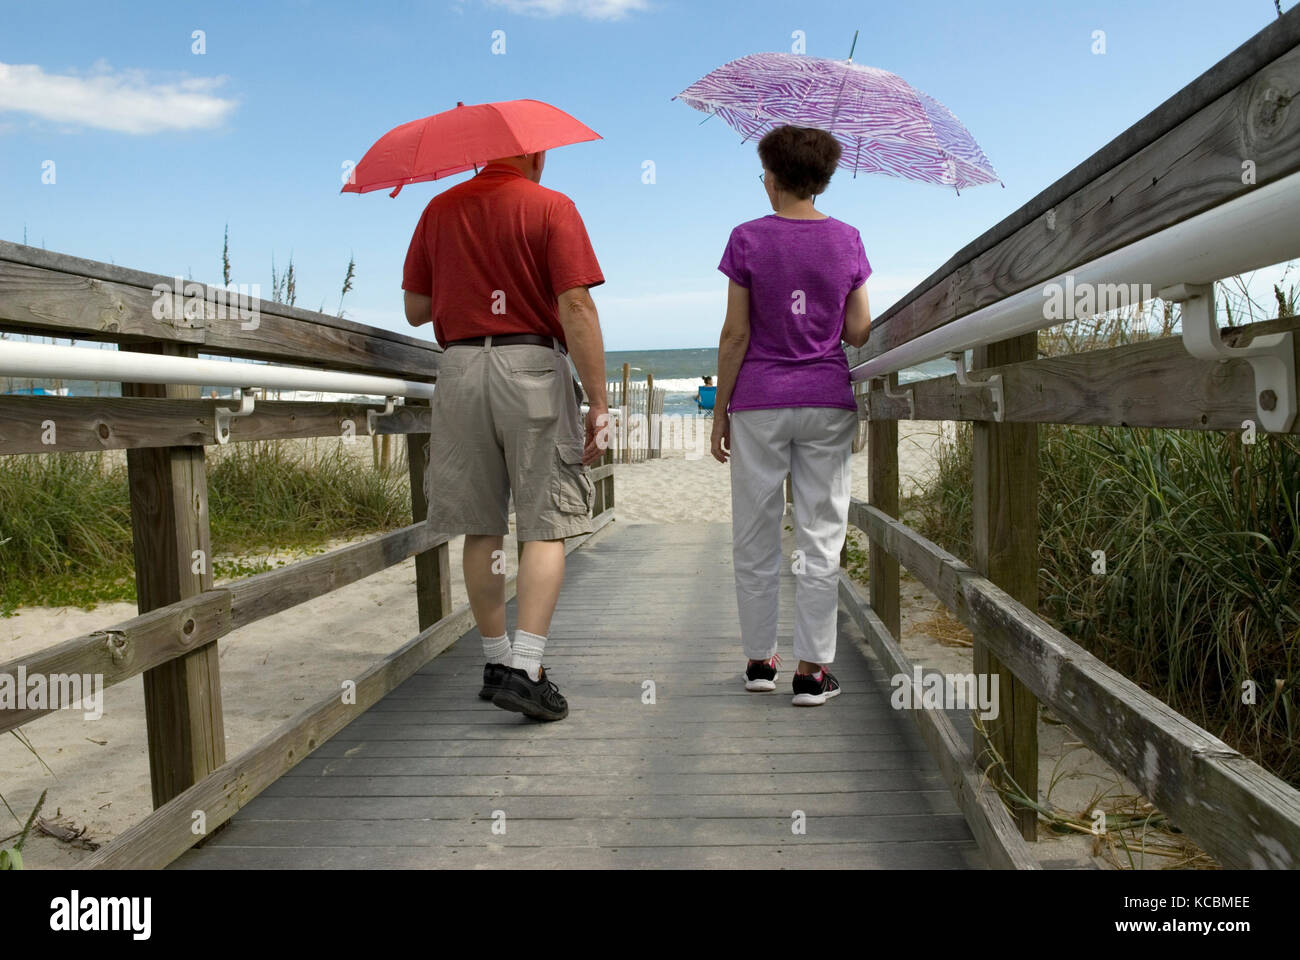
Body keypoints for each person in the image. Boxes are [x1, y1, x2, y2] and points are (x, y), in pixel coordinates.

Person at [402, 149, 609, 722]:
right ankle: (527, 667)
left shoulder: (439, 209)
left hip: (461, 369)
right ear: (536, 153)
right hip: (532, 367)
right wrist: (598, 402)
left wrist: (469, 282)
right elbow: (576, 304)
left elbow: (417, 308)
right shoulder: (550, 206)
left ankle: (495, 660)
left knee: (480, 522)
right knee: (546, 521)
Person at [710, 125, 872, 707]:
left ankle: (759, 663)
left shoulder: (747, 239)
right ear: (822, 181)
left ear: (772, 179)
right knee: (820, 534)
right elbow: (857, 331)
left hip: (759, 400)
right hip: (827, 399)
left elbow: (735, 334)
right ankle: (810, 672)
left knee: (754, 534)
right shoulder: (849, 239)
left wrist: (721, 410)